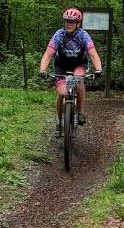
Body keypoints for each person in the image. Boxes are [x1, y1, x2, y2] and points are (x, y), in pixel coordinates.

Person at [37, 8, 103, 137]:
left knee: (78, 80)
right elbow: (48, 54)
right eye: (67, 21)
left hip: (78, 65)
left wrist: (98, 69)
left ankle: (80, 112)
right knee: (62, 93)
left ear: (78, 23)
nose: (69, 24)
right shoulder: (59, 34)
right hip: (61, 66)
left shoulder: (83, 35)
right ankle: (59, 122)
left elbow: (93, 54)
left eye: (72, 22)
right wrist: (42, 69)